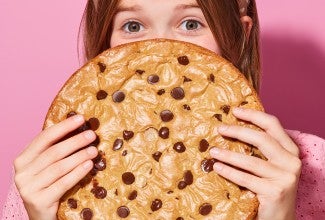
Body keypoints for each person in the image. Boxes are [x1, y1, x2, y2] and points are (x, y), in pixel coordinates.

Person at [1, 0, 324, 219]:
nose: (158, 49)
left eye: (190, 23)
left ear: (239, 37)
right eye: (132, 26)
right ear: (105, 47)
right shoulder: (48, 177)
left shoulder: (313, 166)